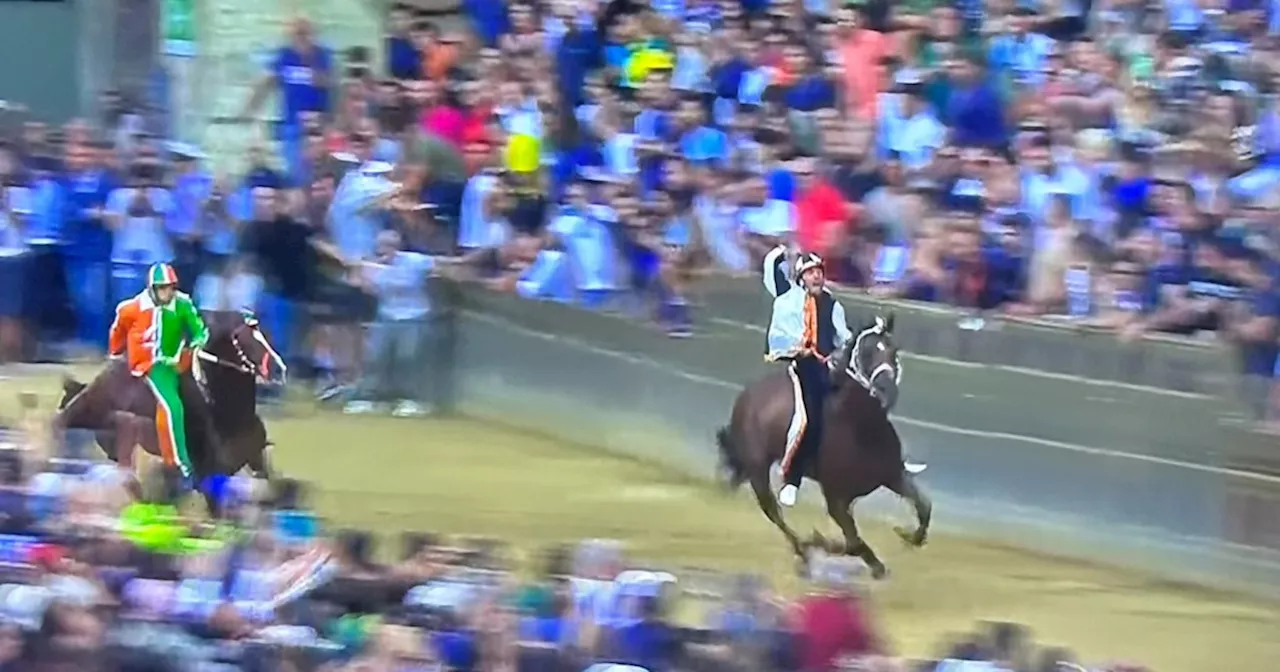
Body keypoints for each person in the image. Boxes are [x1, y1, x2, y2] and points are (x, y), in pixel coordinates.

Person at [107, 263, 209, 487]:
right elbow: (117, 333)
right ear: (152, 288)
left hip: (177, 362)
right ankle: (179, 464)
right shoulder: (130, 309)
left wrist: (196, 343)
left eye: (171, 287)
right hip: (149, 365)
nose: (168, 293)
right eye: (162, 288)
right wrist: (115, 353)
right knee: (172, 405)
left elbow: (199, 329)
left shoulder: (183, 304)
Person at [765, 252, 851, 507]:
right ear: (801, 278)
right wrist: (782, 251)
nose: (817, 276)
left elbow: (842, 337)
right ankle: (792, 479)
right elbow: (770, 268)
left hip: (827, 366)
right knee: (809, 418)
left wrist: (842, 353)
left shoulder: (834, 305)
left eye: (819, 271)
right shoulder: (789, 300)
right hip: (802, 366)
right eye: (811, 272)